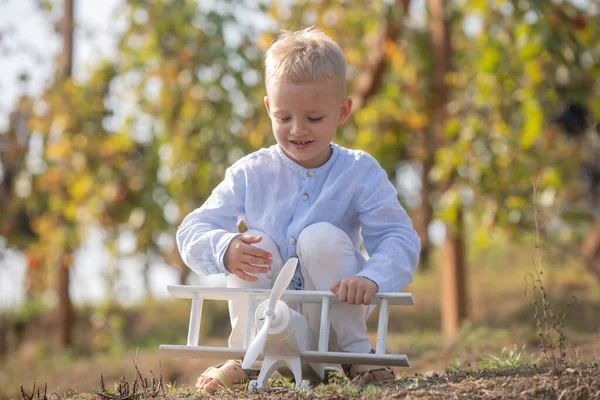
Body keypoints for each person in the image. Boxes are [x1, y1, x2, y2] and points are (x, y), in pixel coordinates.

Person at [176, 26, 421, 392]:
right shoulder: (250, 171)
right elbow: (192, 229)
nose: (297, 130)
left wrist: (372, 277)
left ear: (342, 111)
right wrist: (224, 249)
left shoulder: (359, 171)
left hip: (333, 325)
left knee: (320, 236)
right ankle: (248, 355)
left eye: (314, 118)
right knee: (249, 242)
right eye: (284, 117)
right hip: (271, 323)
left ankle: (357, 356)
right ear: (268, 108)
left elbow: (398, 236)